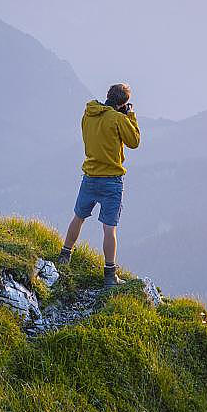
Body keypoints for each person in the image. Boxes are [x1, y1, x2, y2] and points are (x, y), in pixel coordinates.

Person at [57, 83, 141, 286]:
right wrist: (130, 116)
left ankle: (64, 256)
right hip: (111, 180)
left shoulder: (89, 114)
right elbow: (134, 141)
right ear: (123, 104)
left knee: (78, 217)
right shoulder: (119, 118)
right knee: (109, 228)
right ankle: (110, 275)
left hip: (90, 176)